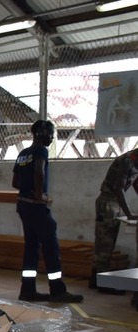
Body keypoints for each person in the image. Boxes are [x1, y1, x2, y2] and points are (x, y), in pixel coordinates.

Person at [12, 119, 83, 303]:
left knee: (31, 248)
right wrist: (39, 195)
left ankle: (27, 290)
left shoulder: (23, 153)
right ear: (41, 133)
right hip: (36, 206)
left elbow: (15, 182)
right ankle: (57, 290)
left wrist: (28, 191)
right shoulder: (40, 151)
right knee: (51, 248)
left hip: (23, 205)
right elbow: (39, 172)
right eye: (51, 134)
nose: (52, 137)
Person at [90, 148, 138, 295]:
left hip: (114, 203)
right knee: (105, 242)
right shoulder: (128, 161)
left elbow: (136, 184)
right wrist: (129, 214)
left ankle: (95, 279)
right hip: (108, 202)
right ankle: (102, 283)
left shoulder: (135, 161)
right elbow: (119, 189)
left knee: (106, 242)